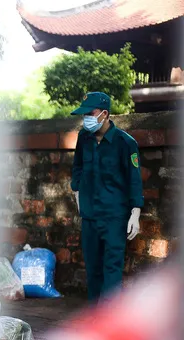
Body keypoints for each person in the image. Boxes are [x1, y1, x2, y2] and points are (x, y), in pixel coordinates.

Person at [71, 92, 143, 303]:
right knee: (92, 268)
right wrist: (77, 192)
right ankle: (96, 317)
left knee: (112, 270)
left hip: (114, 217)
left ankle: (110, 319)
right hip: (90, 216)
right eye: (83, 115)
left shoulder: (125, 143)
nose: (86, 119)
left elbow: (134, 179)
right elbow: (77, 167)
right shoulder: (83, 138)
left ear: (104, 114)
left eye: (90, 114)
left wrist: (135, 212)